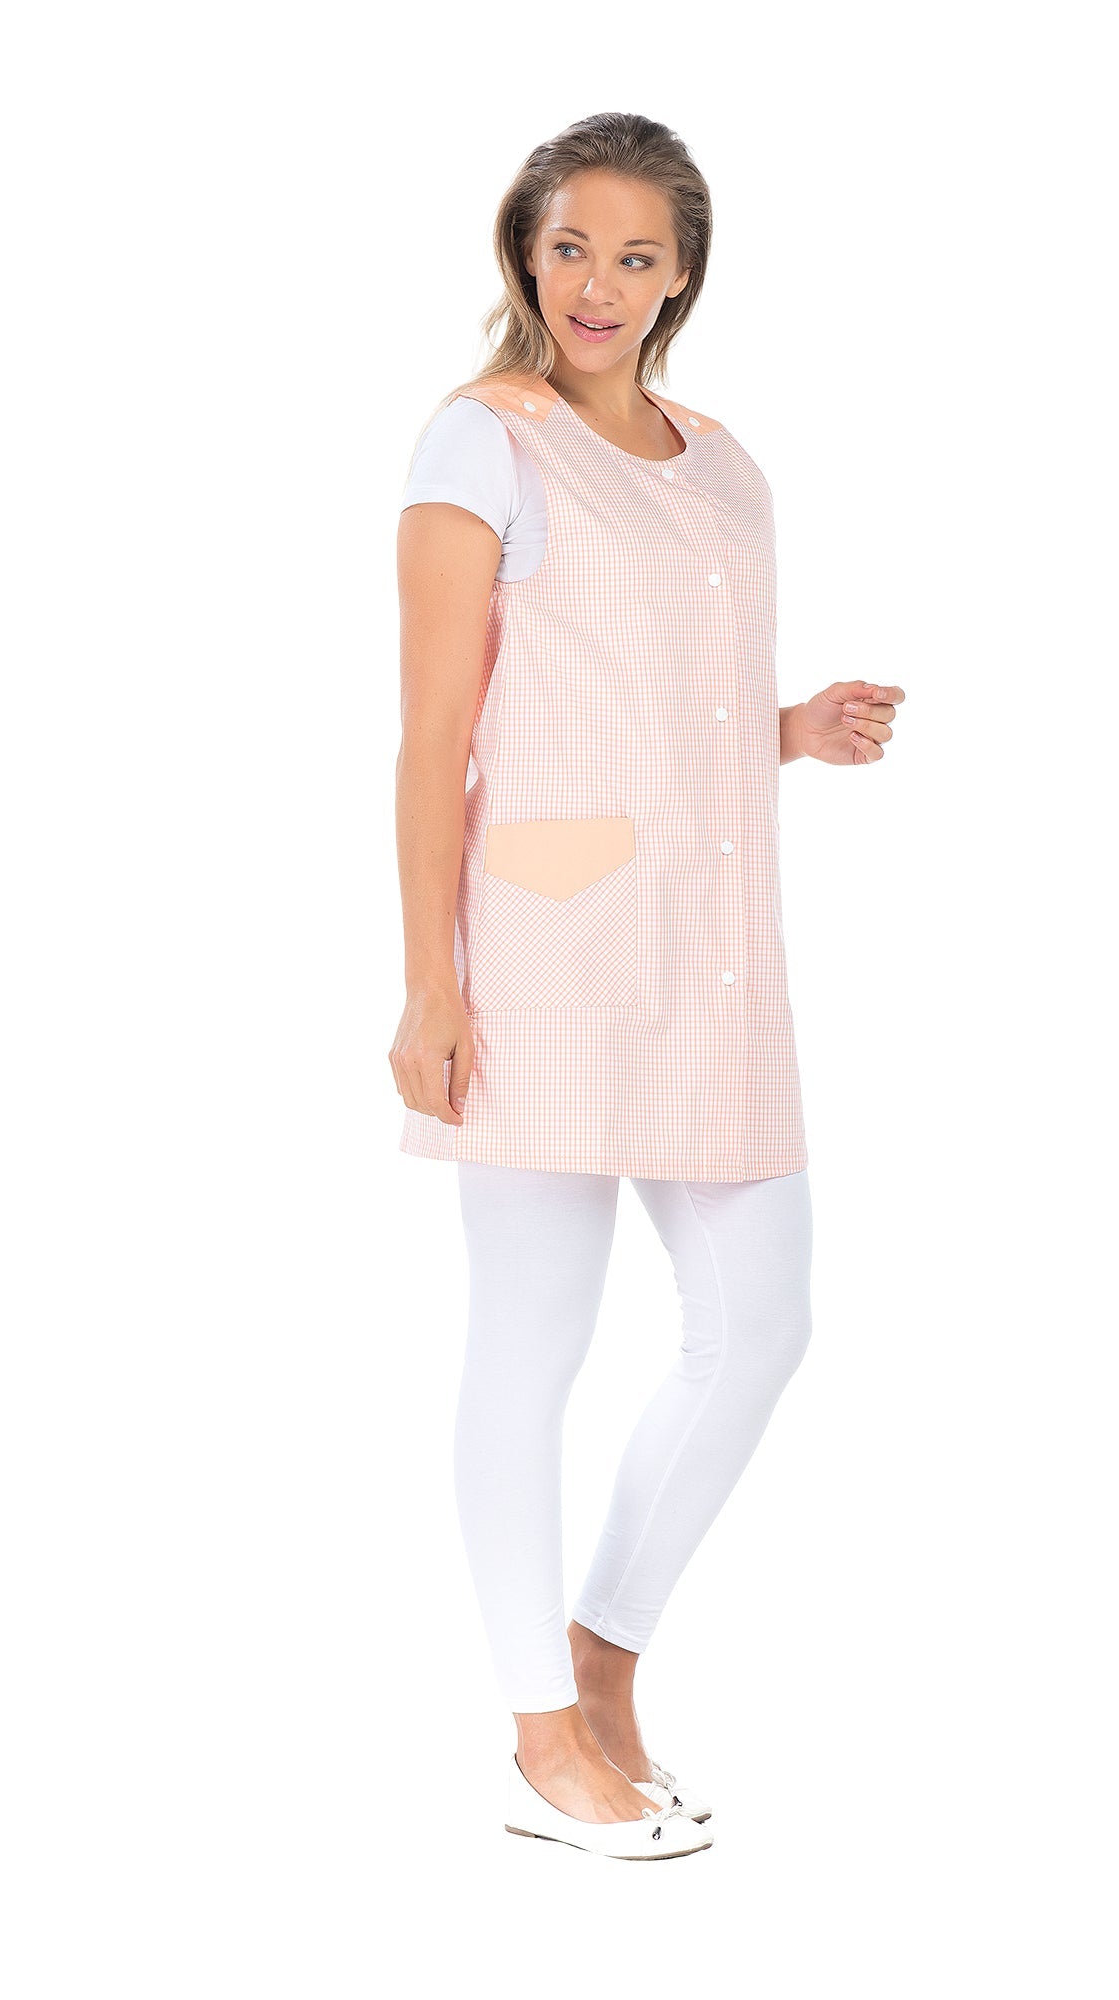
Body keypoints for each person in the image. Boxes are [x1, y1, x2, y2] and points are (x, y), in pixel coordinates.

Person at [389, 112, 906, 1861]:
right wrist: (429, 985)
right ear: (523, 253)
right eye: (568, 248)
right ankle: (539, 1735)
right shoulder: (480, 442)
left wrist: (790, 730)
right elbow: (438, 734)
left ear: (681, 273)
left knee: (759, 1323)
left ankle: (603, 1660)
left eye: (632, 255)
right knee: (532, 1336)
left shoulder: (727, 462)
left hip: (716, 945)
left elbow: (660, 703)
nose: (595, 285)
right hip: (541, 946)